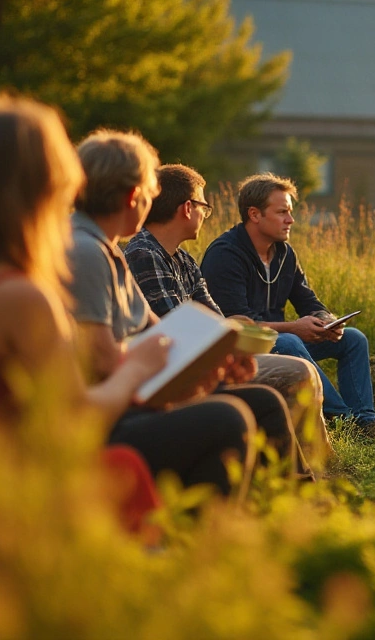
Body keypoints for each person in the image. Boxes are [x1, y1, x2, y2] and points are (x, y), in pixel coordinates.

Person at [0, 95, 176, 533]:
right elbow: (77, 424)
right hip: (8, 508)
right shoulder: (21, 297)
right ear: (44, 189)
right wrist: (136, 370)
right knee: (216, 425)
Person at [68, 130, 290, 497]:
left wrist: (218, 356)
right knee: (227, 417)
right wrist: (187, 369)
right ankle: (220, 529)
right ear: (132, 196)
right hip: (108, 417)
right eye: (150, 192)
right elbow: (104, 361)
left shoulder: (108, 250)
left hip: (132, 397)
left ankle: (266, 512)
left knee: (263, 402)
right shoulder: (86, 253)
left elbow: (161, 332)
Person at [123, 163, 334, 467]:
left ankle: (311, 466)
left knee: (303, 366)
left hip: (201, 360)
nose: (204, 215)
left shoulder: (182, 259)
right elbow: (174, 332)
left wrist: (233, 331)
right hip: (174, 371)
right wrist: (228, 340)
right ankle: (313, 468)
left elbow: (218, 320)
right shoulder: (144, 254)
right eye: (203, 207)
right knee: (298, 371)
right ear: (186, 208)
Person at [200, 173, 375, 443]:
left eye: (290, 212)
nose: (290, 220)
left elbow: (308, 300)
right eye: (282, 212)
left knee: (354, 339)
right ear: (255, 214)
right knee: (290, 341)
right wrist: (294, 328)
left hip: (283, 340)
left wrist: (326, 320)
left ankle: (366, 420)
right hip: (243, 349)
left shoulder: (284, 253)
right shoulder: (225, 255)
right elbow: (237, 324)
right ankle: (343, 421)